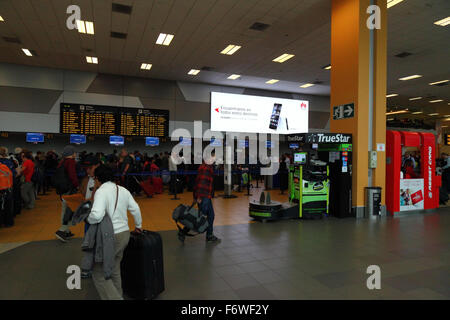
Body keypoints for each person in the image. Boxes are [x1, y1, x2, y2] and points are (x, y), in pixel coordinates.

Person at [87, 165, 143, 300]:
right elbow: (135, 208)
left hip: (109, 237)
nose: (94, 181)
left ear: (98, 178)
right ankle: (118, 294)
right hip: (124, 234)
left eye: (94, 178)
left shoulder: (101, 191)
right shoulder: (122, 190)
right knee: (114, 268)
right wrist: (138, 225)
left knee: (98, 272)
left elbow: (97, 215)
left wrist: (88, 218)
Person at [192, 153, 220, 243]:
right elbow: (201, 183)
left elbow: (197, 182)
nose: (215, 160)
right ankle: (184, 230)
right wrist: (198, 197)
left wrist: (195, 196)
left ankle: (209, 235)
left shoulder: (205, 167)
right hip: (203, 196)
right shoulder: (206, 169)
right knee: (201, 218)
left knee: (210, 215)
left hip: (205, 195)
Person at [55, 146, 79, 242]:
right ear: (71, 153)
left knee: (64, 209)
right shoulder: (70, 162)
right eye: (74, 152)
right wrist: (77, 185)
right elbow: (72, 175)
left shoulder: (62, 162)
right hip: (70, 189)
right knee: (71, 210)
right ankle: (62, 230)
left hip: (63, 189)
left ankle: (67, 231)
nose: (75, 154)